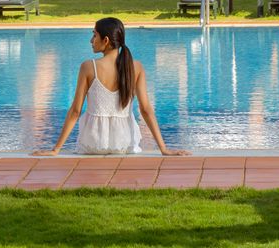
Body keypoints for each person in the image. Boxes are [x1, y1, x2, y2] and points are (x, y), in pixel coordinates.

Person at [33, 16, 187, 156]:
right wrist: (164, 149)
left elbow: (75, 111)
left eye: (94, 35)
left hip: (93, 143)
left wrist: (56, 149)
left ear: (105, 40)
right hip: (124, 143)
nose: (91, 40)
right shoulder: (136, 67)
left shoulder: (88, 67)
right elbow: (146, 110)